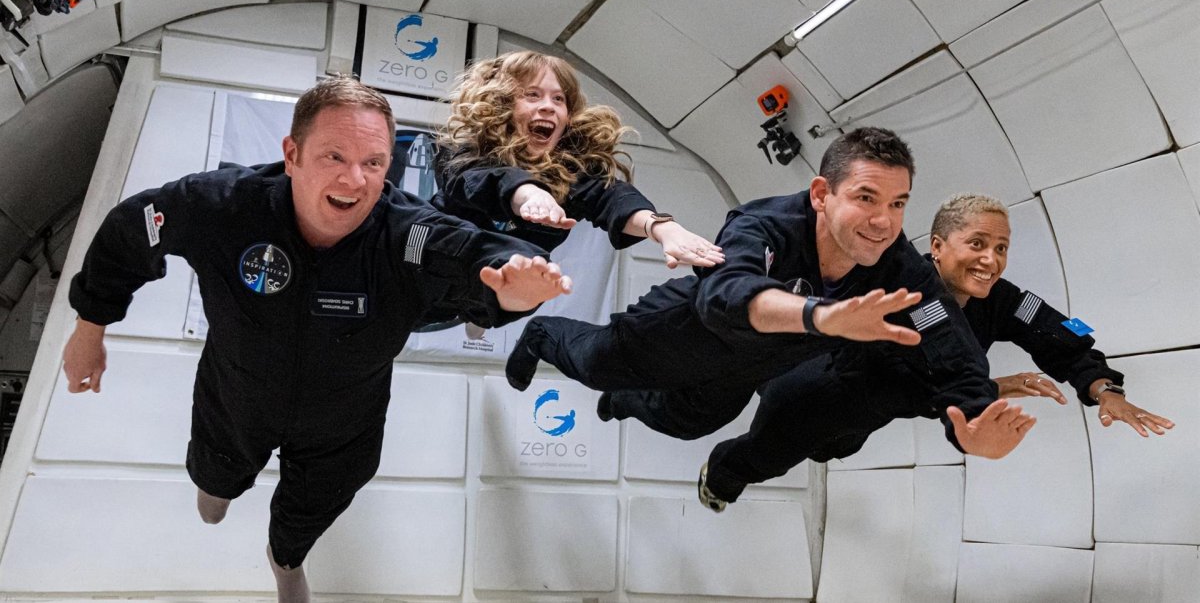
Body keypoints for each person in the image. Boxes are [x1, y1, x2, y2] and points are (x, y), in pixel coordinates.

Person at [61, 77, 572, 602]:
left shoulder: (406, 233)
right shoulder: (226, 206)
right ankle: (218, 489)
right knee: (214, 493)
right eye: (334, 156)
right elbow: (130, 230)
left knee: (304, 520)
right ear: (292, 153)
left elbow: (479, 256)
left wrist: (514, 292)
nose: (355, 179)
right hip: (235, 397)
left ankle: (285, 562)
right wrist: (90, 327)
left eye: (374, 162)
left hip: (344, 421)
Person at [505, 127, 1035, 475]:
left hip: (751, 366)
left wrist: (971, 423)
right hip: (680, 330)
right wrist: (819, 316)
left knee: (690, 423)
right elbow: (724, 294)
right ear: (822, 194)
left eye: (898, 204)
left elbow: (949, 344)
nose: (883, 221)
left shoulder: (901, 265)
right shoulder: (766, 223)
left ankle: (622, 403)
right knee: (599, 366)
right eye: (866, 198)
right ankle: (543, 334)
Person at [697, 193, 1172, 512]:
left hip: (868, 416)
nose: (992, 259)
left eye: (1002, 247)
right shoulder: (893, 284)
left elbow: (1057, 335)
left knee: (835, 447)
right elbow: (911, 374)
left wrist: (1103, 388)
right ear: (939, 247)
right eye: (978, 244)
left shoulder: (1001, 299)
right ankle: (717, 475)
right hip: (813, 391)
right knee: (759, 457)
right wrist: (988, 389)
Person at [432, 50, 723, 267]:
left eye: (558, 99)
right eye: (532, 95)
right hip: (432, 261)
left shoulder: (572, 171)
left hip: (498, 291)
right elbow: (477, 178)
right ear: (503, 104)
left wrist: (662, 228)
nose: (548, 107)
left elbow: (613, 198)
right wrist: (528, 193)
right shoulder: (464, 149)